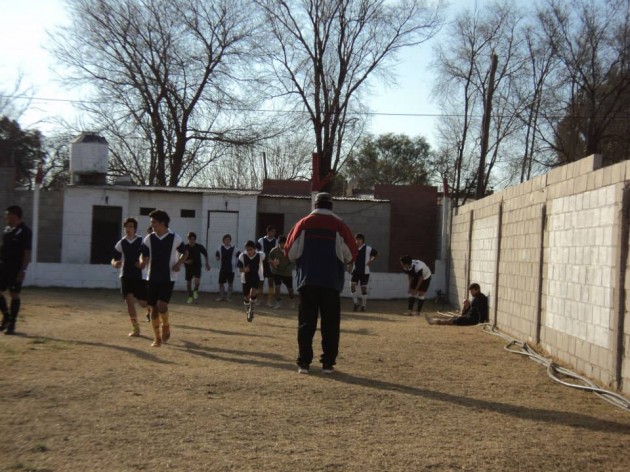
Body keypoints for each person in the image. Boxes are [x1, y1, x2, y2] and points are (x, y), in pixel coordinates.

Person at [285, 192, 358, 374]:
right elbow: (351, 255)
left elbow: (290, 252)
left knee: (306, 323)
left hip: (307, 280)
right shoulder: (339, 226)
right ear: (331, 206)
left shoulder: (302, 224)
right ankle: (327, 363)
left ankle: (304, 363)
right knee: (331, 324)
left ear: (315, 205)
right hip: (331, 282)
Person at [139, 209, 187, 347]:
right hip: (152, 277)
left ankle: (166, 324)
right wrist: (143, 261)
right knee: (153, 308)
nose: (152, 225)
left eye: (153, 222)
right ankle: (157, 338)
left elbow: (185, 252)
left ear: (162, 223)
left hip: (168, 277)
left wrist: (178, 263)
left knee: (162, 306)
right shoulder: (149, 238)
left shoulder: (175, 237)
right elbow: (143, 253)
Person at [111, 217, 148, 337]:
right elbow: (114, 258)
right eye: (126, 226)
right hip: (126, 275)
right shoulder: (121, 242)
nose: (128, 229)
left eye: (131, 226)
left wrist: (142, 262)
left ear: (135, 228)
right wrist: (115, 263)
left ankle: (156, 312)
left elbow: (145, 255)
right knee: (129, 302)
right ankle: (136, 328)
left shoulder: (141, 241)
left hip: (139, 276)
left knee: (143, 303)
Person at [0, 206, 32, 335]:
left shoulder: (25, 231)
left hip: (15, 268)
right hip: (2, 267)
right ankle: (6, 315)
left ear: (15, 215)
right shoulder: (7, 229)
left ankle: (12, 323)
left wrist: (23, 270)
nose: (5, 217)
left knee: (14, 294)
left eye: (7, 214)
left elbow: (27, 252)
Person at [348, 233, 378, 312]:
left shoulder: (367, 248)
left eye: (359, 240)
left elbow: (376, 254)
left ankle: (363, 306)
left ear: (363, 241)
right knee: (352, 286)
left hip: (365, 272)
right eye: (357, 239)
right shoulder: (354, 248)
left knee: (363, 289)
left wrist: (370, 261)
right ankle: (356, 303)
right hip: (355, 271)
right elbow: (351, 257)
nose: (358, 241)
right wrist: (350, 265)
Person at [237, 240, 265, 322]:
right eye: (247, 249)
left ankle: (251, 311)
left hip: (256, 276)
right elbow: (240, 269)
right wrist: (244, 269)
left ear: (254, 249)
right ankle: (248, 311)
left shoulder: (260, 255)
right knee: (246, 297)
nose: (249, 251)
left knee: (253, 292)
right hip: (245, 278)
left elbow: (268, 259)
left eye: (250, 249)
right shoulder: (242, 256)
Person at [269, 235, 295, 309]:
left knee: (290, 289)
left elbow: (293, 261)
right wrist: (274, 265)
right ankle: (278, 303)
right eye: (282, 243)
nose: (283, 245)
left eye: (285, 243)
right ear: (279, 243)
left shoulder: (290, 250)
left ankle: (292, 301)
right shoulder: (274, 251)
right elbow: (270, 260)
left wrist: (288, 268)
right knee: (277, 287)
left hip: (287, 273)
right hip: (277, 272)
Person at [183, 232, 210, 304]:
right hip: (188, 268)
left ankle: (195, 291)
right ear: (188, 239)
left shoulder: (199, 247)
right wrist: (185, 261)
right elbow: (180, 257)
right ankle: (190, 296)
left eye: (193, 239)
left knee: (197, 282)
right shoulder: (185, 247)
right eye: (190, 239)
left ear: (195, 239)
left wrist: (207, 263)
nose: (192, 241)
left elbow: (205, 254)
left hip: (197, 266)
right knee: (188, 284)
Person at [257, 225, 277, 307]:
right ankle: (259, 300)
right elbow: (257, 252)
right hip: (262, 264)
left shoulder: (276, 241)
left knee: (271, 282)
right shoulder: (261, 240)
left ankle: (269, 301)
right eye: (272, 231)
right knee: (260, 282)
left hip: (271, 264)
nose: (274, 233)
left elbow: (277, 253)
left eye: (274, 232)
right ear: (268, 232)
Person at [215, 234, 238, 302]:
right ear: (223, 241)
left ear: (230, 240)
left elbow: (240, 256)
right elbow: (217, 256)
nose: (227, 241)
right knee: (221, 283)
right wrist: (217, 257)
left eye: (228, 240)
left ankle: (228, 297)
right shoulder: (220, 248)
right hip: (223, 268)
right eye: (226, 240)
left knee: (230, 283)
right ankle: (221, 296)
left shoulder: (234, 248)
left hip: (231, 269)